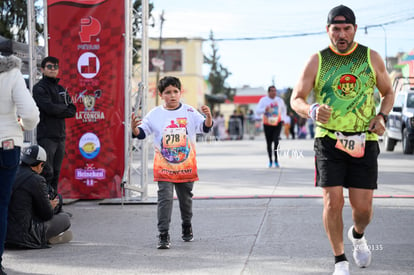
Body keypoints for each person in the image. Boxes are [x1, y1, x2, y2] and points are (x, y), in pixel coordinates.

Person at [290, 5, 394, 275]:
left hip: (364, 140)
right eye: (336, 29)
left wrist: (381, 116)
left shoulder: (370, 57)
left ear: (355, 30)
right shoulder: (318, 60)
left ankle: (358, 235)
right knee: (332, 202)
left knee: (363, 209)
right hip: (329, 140)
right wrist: (311, 110)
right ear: (328, 31)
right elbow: (296, 98)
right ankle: (340, 260)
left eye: (347, 28)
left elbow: (388, 92)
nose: (341, 34)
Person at [131, 76, 213, 249]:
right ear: (161, 95)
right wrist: (135, 129)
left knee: (186, 200)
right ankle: (163, 234)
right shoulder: (155, 114)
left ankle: (186, 224)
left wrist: (208, 118)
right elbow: (142, 133)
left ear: (180, 92)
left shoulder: (190, 111)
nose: (172, 95)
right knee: (165, 199)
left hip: (185, 166)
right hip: (164, 166)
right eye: (168, 92)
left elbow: (204, 128)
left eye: (175, 91)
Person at [0, 53, 39, 275]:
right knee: (1, 205)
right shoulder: (11, 73)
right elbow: (31, 114)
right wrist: (23, 125)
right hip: (6, 143)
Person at [6, 145, 72, 249]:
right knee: (65, 218)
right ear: (40, 164)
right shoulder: (37, 180)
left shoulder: (11, 173)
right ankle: (48, 237)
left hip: (5, 234)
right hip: (25, 237)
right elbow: (46, 214)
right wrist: (51, 205)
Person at [32, 56, 76, 198]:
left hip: (60, 137)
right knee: (47, 172)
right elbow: (48, 108)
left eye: (55, 67)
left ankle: (54, 204)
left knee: (56, 172)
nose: (53, 69)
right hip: (46, 137)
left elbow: (72, 110)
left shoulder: (61, 88)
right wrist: (62, 109)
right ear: (42, 69)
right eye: (49, 67)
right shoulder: (39, 88)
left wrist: (58, 109)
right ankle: (44, 205)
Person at [255, 85, 287, 168]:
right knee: (269, 143)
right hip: (267, 124)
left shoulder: (279, 100)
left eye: (275, 91)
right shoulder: (263, 100)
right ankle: (270, 161)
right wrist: (264, 109)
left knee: (276, 141)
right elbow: (257, 111)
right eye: (272, 91)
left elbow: (283, 110)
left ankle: (276, 160)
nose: (274, 92)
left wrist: (283, 119)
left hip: (277, 123)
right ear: (268, 92)